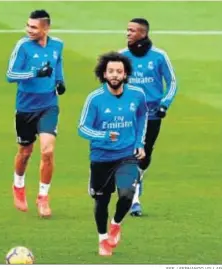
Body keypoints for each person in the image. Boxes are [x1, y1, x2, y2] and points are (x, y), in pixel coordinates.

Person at [78, 52, 148, 256]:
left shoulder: (137, 94)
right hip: (101, 156)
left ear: (126, 74)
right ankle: (102, 238)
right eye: (111, 71)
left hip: (127, 154)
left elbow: (143, 115)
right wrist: (105, 135)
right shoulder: (95, 99)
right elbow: (82, 128)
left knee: (127, 194)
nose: (115, 75)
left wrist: (139, 142)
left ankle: (116, 224)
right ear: (104, 74)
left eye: (119, 71)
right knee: (102, 200)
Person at [6, 9, 65, 218]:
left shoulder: (57, 45)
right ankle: (18, 186)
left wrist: (60, 81)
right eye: (27, 26)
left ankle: (43, 197)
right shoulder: (23, 46)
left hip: (49, 105)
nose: (29, 30)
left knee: (47, 151)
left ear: (46, 28)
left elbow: (57, 64)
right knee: (25, 152)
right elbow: (10, 75)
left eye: (33, 27)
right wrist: (34, 73)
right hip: (26, 107)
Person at [120, 18, 178, 216]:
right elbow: (110, 81)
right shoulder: (121, 56)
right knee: (129, 152)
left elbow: (172, 83)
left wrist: (164, 104)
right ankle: (133, 198)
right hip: (127, 114)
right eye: (127, 30)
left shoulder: (159, 56)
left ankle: (136, 184)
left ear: (143, 34)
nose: (127, 33)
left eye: (132, 30)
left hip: (152, 114)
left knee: (144, 153)